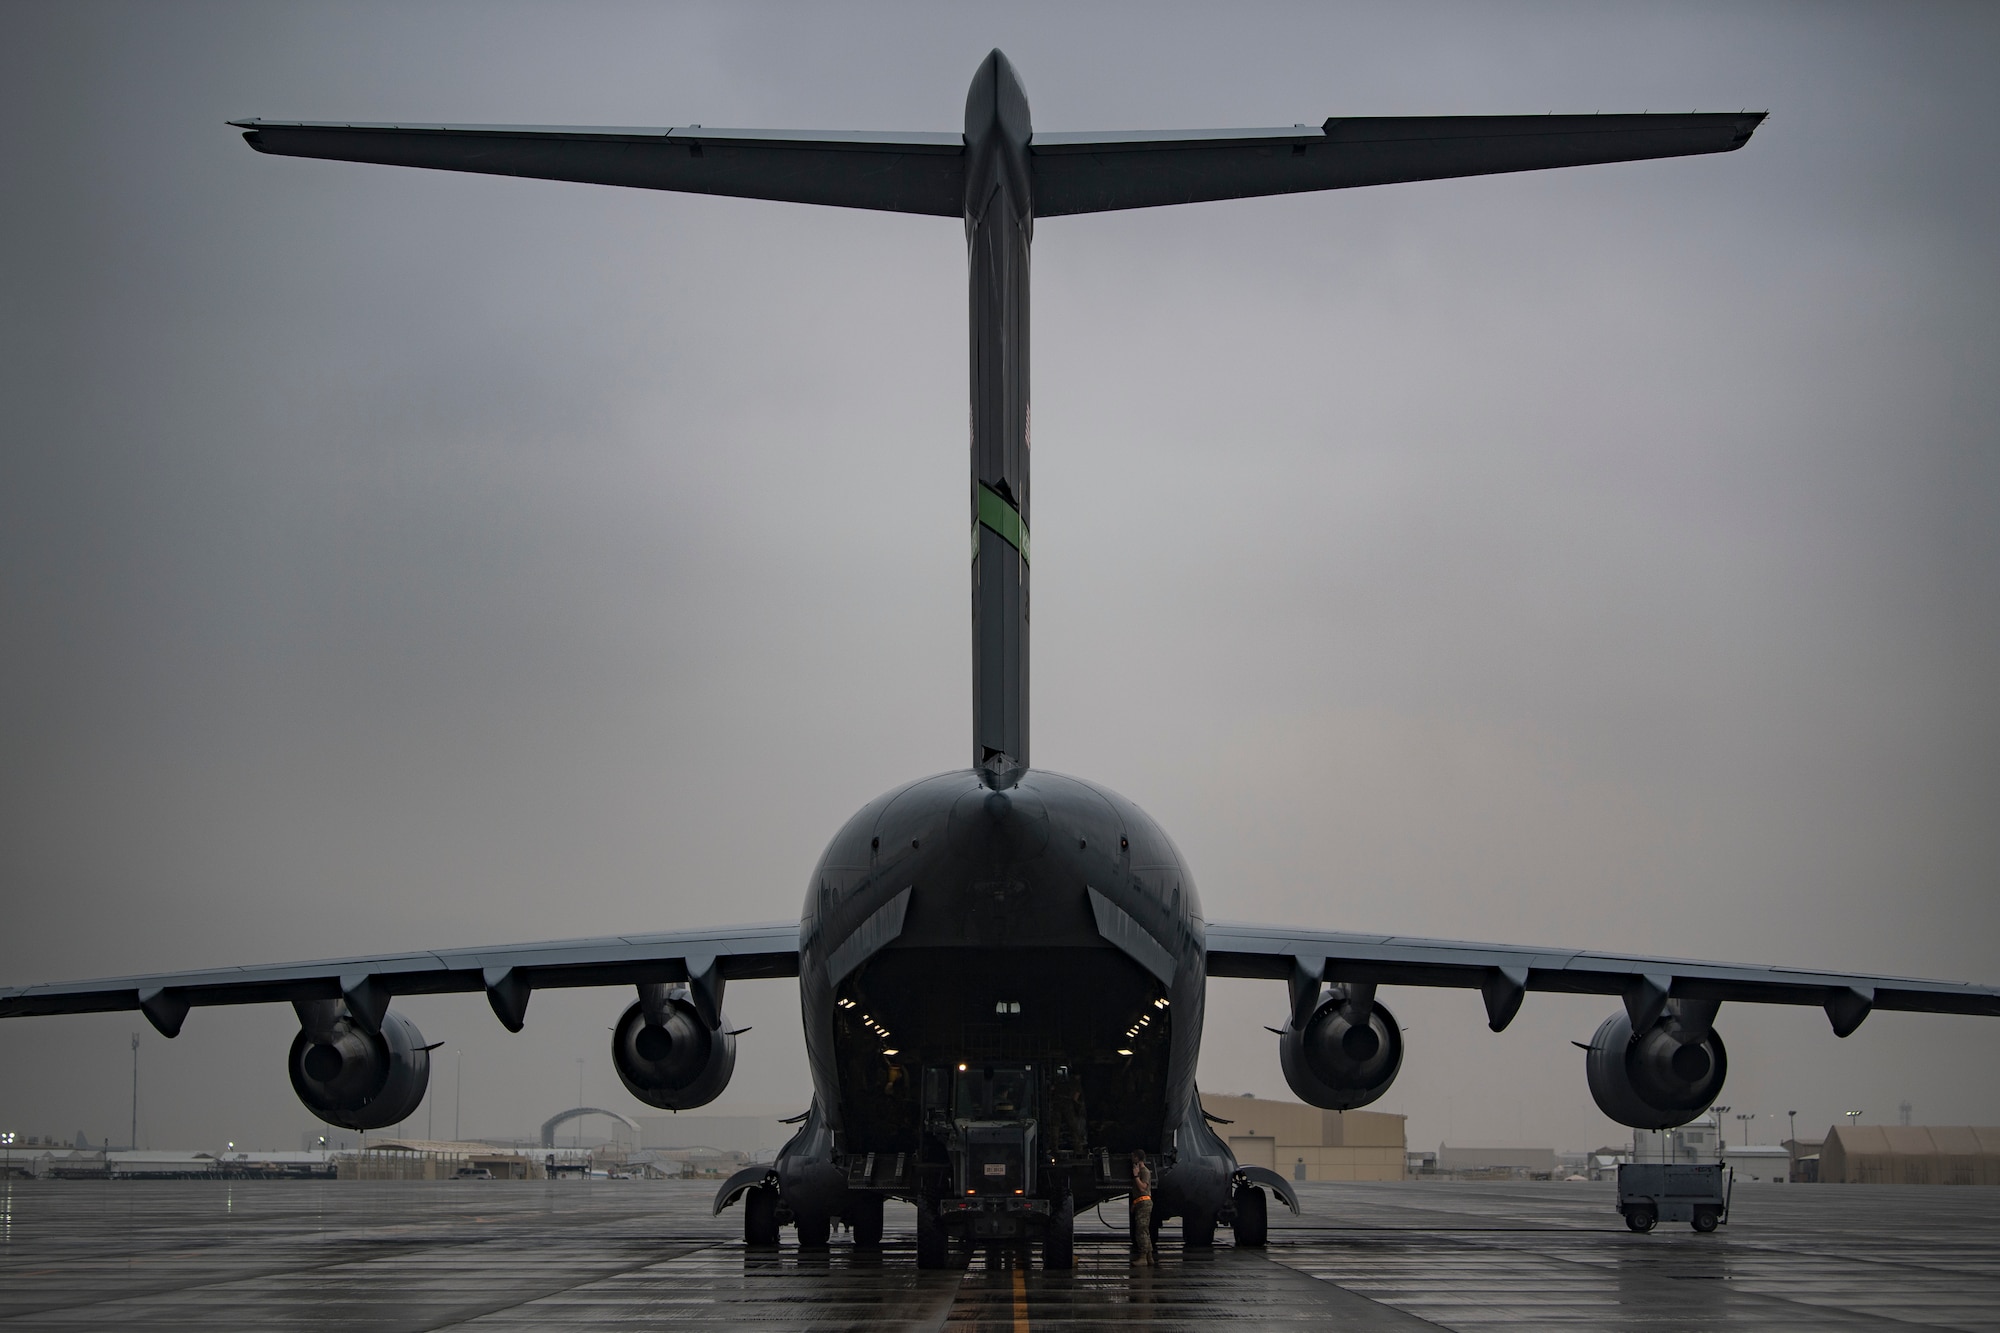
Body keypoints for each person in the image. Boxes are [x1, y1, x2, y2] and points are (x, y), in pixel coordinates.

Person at [1129, 1150, 1155, 1266]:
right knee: (1145, 1231)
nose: (1132, 1158)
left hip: (1144, 1203)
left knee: (1141, 1231)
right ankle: (1149, 1257)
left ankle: (1143, 1257)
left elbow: (1143, 1188)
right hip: (1140, 1202)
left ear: (1137, 1158)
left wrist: (1136, 1176)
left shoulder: (1144, 1171)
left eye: (1133, 1156)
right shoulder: (1141, 1171)